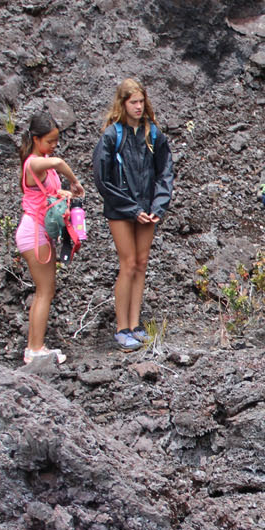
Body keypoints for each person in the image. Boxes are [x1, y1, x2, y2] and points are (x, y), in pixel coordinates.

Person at [93, 79, 174, 351]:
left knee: (141, 264)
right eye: (133, 102)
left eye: (141, 101)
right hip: (121, 209)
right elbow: (103, 181)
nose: (138, 107)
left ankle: (136, 325)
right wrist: (134, 209)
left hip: (148, 209)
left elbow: (165, 173)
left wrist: (156, 208)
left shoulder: (153, 134)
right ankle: (121, 328)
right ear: (123, 103)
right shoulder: (111, 136)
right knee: (127, 264)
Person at [16, 112, 86, 366]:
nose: (53, 146)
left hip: (39, 232)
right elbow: (58, 163)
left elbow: (48, 191)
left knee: (45, 290)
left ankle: (36, 347)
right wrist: (75, 181)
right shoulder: (34, 163)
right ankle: (35, 349)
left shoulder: (41, 160)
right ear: (36, 139)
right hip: (33, 232)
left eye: (56, 140)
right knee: (45, 291)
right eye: (50, 141)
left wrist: (64, 192)